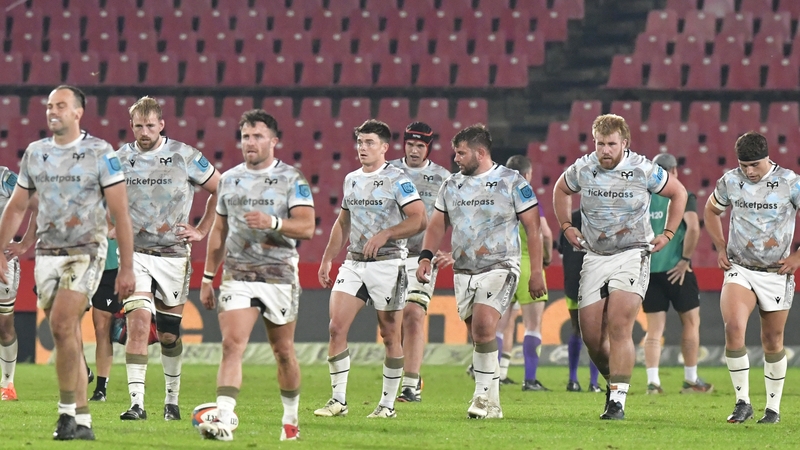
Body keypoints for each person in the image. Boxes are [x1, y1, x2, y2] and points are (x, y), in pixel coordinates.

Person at [0, 85, 135, 440]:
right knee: (67, 334)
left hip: (86, 252)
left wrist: (127, 266)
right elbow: (17, 206)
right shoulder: (36, 153)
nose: (52, 111)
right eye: (49, 106)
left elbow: (121, 212)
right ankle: (84, 420)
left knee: (61, 323)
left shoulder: (100, 153)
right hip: (48, 254)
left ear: (78, 112)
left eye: (60, 105)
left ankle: (65, 415)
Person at [553, 114, 687, 420]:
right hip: (594, 255)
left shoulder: (643, 169)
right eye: (600, 144)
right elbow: (561, 189)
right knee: (591, 337)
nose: (605, 150)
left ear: (624, 143)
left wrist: (668, 233)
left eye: (611, 144)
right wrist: (566, 225)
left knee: (619, 324)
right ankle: (614, 381)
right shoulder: (583, 167)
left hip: (632, 253)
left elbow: (678, 193)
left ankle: (617, 401)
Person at [197, 110, 314, 441]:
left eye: (258, 136)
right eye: (246, 136)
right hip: (238, 274)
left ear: (273, 141)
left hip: (279, 275)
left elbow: (307, 227)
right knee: (231, 345)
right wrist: (207, 277)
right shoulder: (229, 179)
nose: (250, 142)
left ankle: (290, 422)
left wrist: (273, 222)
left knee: (283, 352)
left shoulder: (292, 179)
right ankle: (223, 420)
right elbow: (219, 231)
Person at [417, 124, 546, 419]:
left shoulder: (511, 181)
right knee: (479, 336)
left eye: (461, 153)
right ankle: (494, 404)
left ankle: (480, 396)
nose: (456, 159)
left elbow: (533, 227)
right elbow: (437, 224)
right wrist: (425, 256)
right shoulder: (451, 185)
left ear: (480, 153)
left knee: (486, 326)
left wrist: (536, 271)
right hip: (464, 270)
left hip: (501, 265)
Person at [116, 96, 221, 421]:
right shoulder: (119, 159)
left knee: (168, 334)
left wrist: (202, 229)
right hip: (135, 254)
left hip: (173, 255)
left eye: (150, 126)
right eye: (138, 126)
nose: (144, 132)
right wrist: (109, 224)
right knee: (137, 324)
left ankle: (171, 401)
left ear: (161, 124)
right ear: (131, 126)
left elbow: (222, 189)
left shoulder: (184, 156)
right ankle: (137, 404)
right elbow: (103, 196)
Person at [315, 119, 426, 419]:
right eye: (360, 142)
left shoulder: (397, 179)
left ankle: (387, 405)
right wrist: (328, 257)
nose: (362, 148)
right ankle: (338, 400)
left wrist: (387, 234)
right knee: (336, 327)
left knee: (389, 335)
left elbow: (419, 218)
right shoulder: (351, 179)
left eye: (369, 143)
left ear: (385, 147)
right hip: (354, 263)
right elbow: (343, 221)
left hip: (388, 264)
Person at [704, 131, 800, 424]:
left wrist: (798, 256)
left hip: (775, 271)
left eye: (754, 165)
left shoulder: (790, 182)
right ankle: (742, 402)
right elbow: (711, 210)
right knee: (733, 327)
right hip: (741, 267)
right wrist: (720, 246)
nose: (749, 171)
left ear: (767, 158)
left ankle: (773, 409)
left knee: (772, 340)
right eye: (743, 165)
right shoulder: (730, 181)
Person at [388, 122, 451, 403]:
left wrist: (453, 251)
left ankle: (410, 385)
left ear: (429, 148)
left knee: (414, 314)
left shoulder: (443, 178)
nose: (414, 150)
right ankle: (404, 375)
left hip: (422, 258)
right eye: (410, 144)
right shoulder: (387, 171)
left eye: (420, 146)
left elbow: (461, 217)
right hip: (389, 257)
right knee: (392, 322)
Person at [643, 153, 713, 395]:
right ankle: (691, 380)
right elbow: (693, 227)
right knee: (691, 323)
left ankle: (653, 383)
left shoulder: (644, 197)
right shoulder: (682, 194)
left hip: (649, 271)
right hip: (677, 270)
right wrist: (685, 260)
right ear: (674, 171)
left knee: (654, 329)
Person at [497, 155, 553, 392]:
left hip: (502, 265)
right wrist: (547, 257)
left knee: (498, 327)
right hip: (528, 264)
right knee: (532, 325)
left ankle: (494, 376)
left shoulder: (498, 198)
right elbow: (545, 234)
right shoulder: (529, 198)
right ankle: (530, 379)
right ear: (528, 175)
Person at [0, 166, 37, 402]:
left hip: (3, 258)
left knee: (4, 325)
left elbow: (39, 204)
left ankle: (7, 384)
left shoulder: (5, 178)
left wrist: (25, 243)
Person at [559, 210, 601, 393]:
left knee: (576, 329)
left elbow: (562, 249)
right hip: (595, 281)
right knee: (598, 332)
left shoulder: (569, 219)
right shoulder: (602, 217)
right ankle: (594, 383)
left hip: (572, 281)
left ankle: (573, 380)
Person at [88, 234, 121, 402]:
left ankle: (101, 389)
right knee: (66, 321)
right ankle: (82, 367)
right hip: (78, 262)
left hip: (108, 266)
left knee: (102, 328)